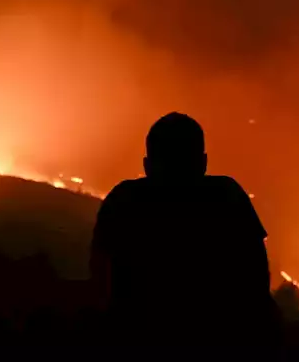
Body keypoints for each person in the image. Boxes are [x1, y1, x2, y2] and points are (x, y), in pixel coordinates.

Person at [90, 112, 279, 360]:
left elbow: (99, 275)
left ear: (146, 166)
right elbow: (257, 275)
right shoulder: (226, 197)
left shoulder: (123, 200)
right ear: (203, 163)